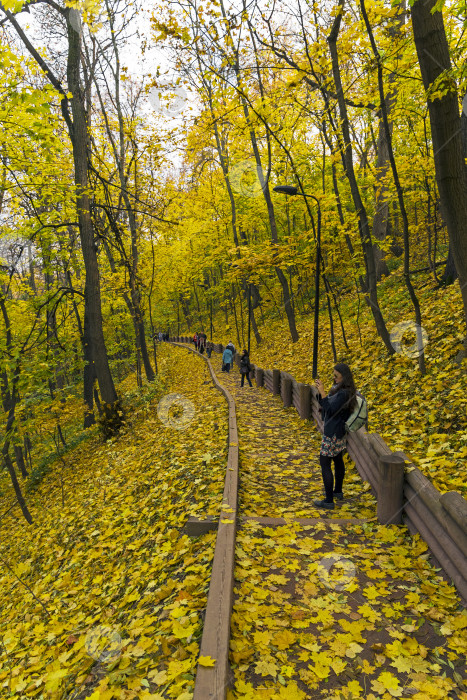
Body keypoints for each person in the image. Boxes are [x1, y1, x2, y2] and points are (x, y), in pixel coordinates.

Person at [313, 363, 357, 510]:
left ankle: (329, 500)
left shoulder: (344, 393)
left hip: (332, 433)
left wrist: (323, 393)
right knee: (338, 460)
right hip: (339, 432)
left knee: (325, 463)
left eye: (336, 376)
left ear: (344, 377)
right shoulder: (342, 390)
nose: (334, 378)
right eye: (333, 375)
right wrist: (321, 393)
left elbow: (331, 410)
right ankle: (337, 491)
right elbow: (326, 405)